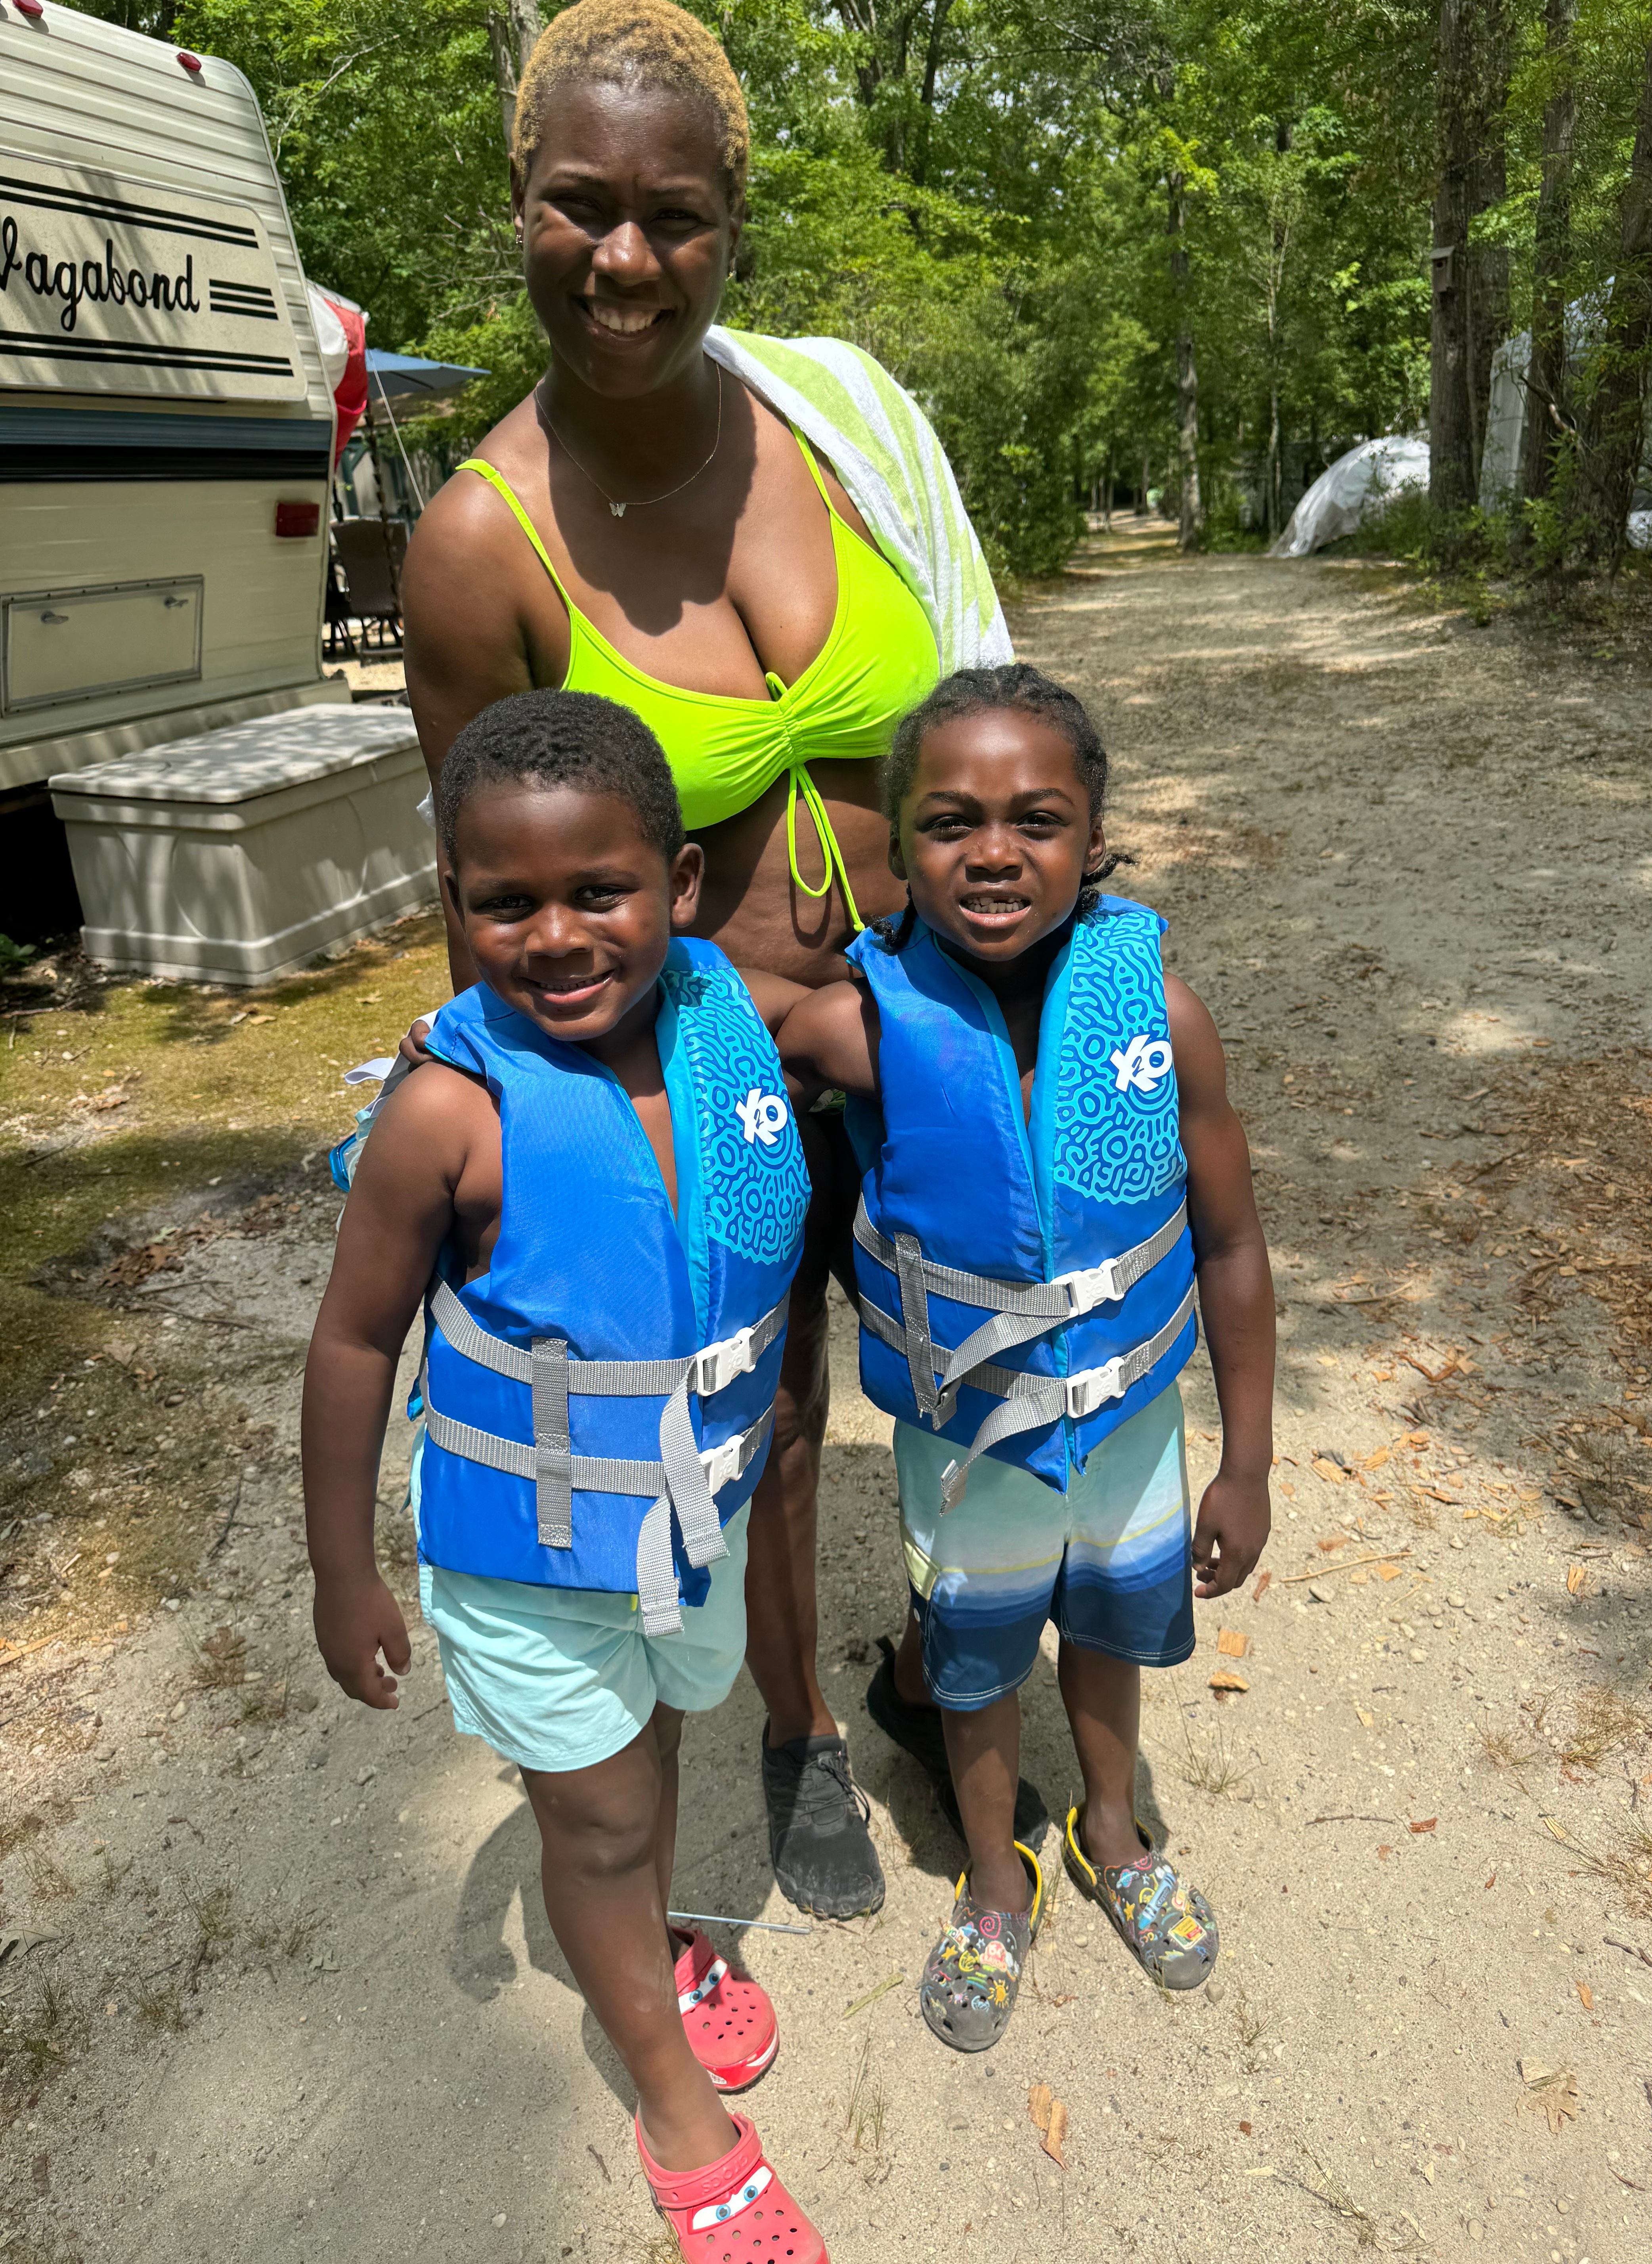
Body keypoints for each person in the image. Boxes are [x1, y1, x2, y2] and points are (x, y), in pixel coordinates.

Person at [400, 0, 1011, 1918]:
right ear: (521, 203)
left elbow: (994, 702)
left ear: (735, 218)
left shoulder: (847, 415)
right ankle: (792, 1728)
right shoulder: (477, 549)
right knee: (768, 1413)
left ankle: (936, 1669)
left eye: (673, 214)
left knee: (992, 1370)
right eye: (580, 206)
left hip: (934, 1023)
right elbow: (493, 896)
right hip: (708, 1074)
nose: (626, 259)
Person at [302, 690, 827, 2258]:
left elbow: (886, 1029)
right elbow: (348, 1348)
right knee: (593, 1820)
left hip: (690, 1525)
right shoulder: (446, 1115)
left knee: (650, 1754)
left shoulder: (728, 1023)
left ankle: (649, 1934)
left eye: (599, 891)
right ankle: (678, 2110)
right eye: (505, 902)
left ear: (675, 883)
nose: (556, 936)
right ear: (454, 906)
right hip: (531, 1563)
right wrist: (346, 1570)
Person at [777, 665, 1275, 2052]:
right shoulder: (851, 1029)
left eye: (1036, 818)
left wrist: (1247, 1462)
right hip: (970, 1445)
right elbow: (671, 1057)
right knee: (977, 1662)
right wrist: (473, 1043)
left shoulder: (1161, 1020)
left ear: (1095, 840)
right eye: (948, 821)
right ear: (898, 845)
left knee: (1111, 1637)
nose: (993, 851)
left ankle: (1110, 1835)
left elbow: (1231, 1248)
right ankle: (995, 1882)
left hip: (1126, 1429)